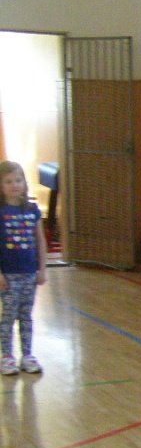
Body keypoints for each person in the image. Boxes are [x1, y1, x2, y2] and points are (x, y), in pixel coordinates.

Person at [0, 161, 47, 376]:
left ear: (24, 183)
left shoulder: (31, 210)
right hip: (8, 275)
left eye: (18, 180)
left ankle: (27, 355)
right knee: (8, 316)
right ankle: (7, 356)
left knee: (26, 315)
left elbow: (40, 240)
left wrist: (42, 269)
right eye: (8, 181)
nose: (14, 185)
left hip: (29, 273)